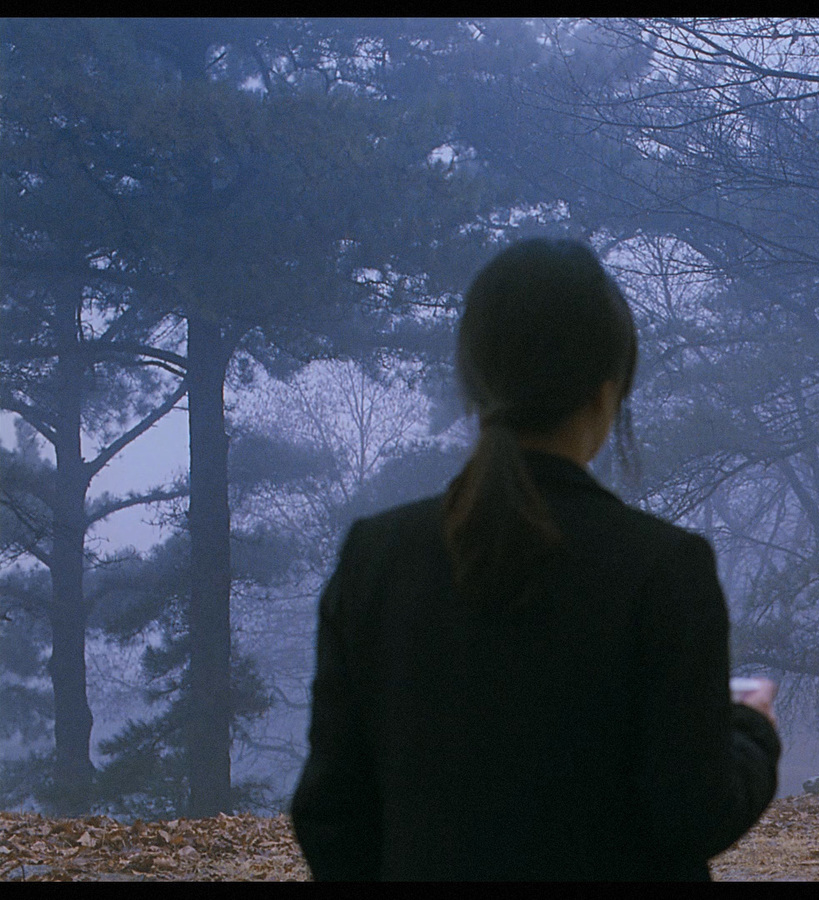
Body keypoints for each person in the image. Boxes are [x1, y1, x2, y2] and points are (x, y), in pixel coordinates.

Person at [289, 238, 781, 881]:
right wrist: (750, 729)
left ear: (475, 384)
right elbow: (691, 812)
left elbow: (332, 816)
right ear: (609, 391)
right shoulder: (662, 570)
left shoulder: (376, 559)